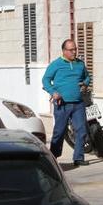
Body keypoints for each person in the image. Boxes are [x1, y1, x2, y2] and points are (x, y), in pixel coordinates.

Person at [42, 39, 92, 167]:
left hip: (78, 103)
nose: (74, 52)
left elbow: (87, 77)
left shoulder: (80, 64)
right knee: (59, 131)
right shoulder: (56, 64)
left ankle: (78, 158)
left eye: (75, 49)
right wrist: (53, 92)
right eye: (71, 50)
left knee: (81, 130)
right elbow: (46, 80)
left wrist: (85, 84)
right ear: (64, 51)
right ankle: (53, 157)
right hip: (62, 104)